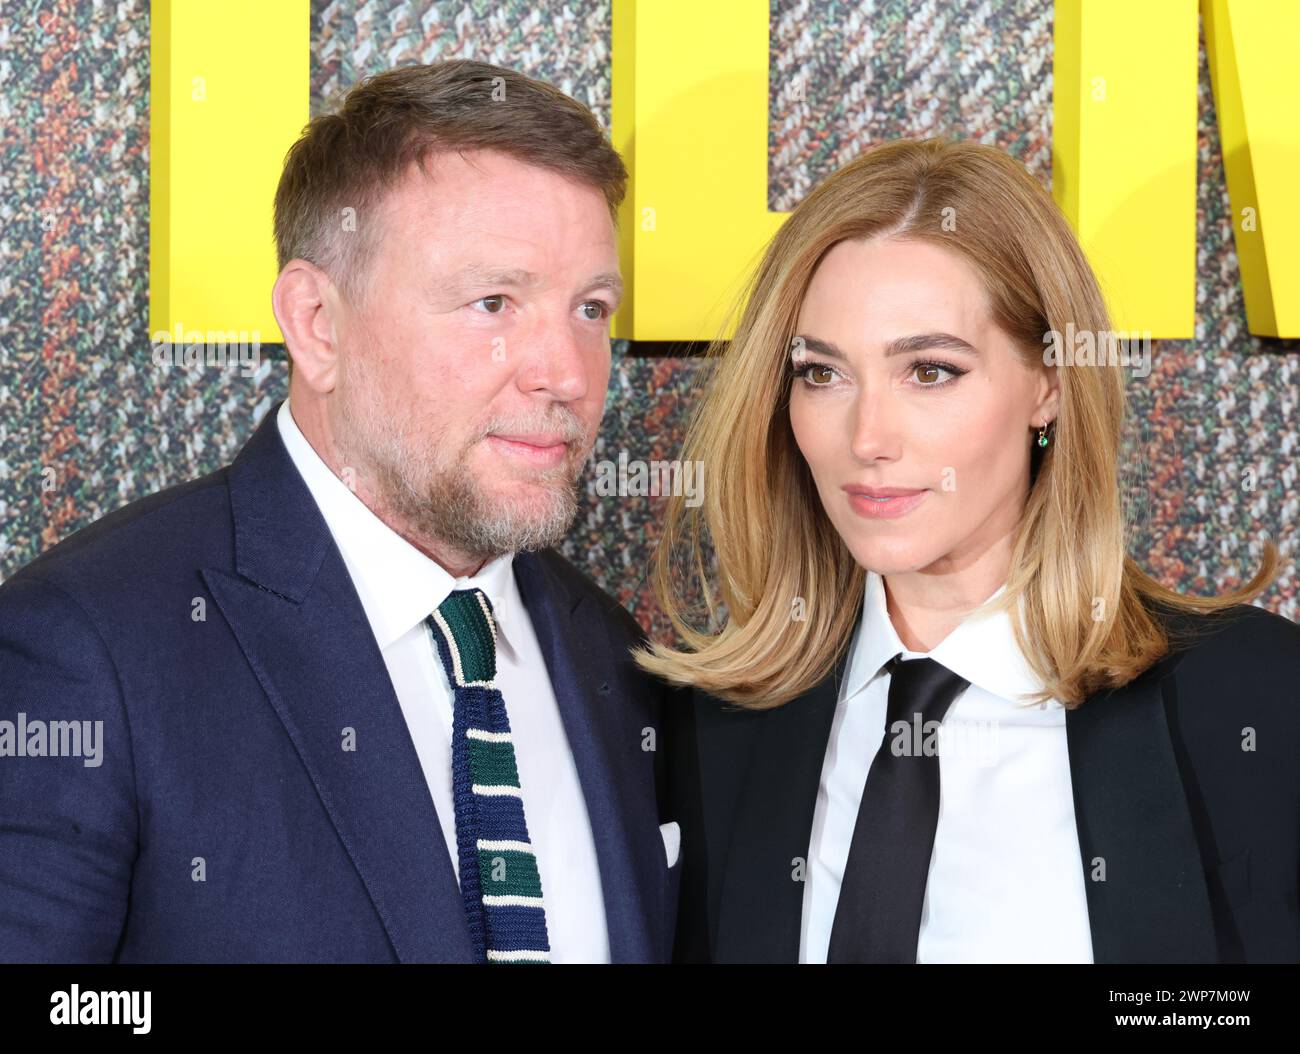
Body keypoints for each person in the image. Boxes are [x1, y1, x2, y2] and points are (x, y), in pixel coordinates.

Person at [0, 60, 680, 964]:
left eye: (590, 308)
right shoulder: (87, 648)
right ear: (318, 322)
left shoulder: (618, 658)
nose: (565, 373)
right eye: (492, 303)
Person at [640, 137, 1298, 964]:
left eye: (930, 371)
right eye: (822, 375)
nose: (867, 438)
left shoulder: (1259, 702)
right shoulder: (706, 731)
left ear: (1049, 384)